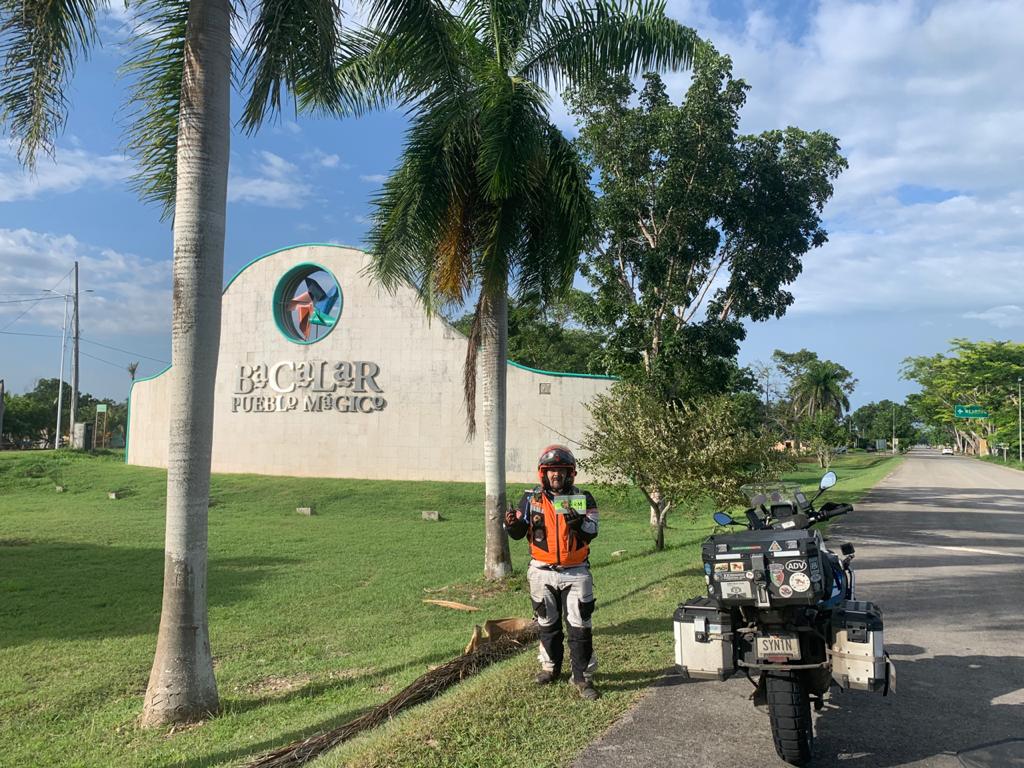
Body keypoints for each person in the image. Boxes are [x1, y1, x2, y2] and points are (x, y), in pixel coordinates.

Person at [504, 444, 600, 700]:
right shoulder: (531, 499)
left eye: (561, 470)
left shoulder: (584, 498)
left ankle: (582, 677)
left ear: (571, 473)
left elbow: (592, 532)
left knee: (580, 626)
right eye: (551, 471)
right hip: (541, 571)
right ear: (543, 474)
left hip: (576, 571)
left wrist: (578, 523)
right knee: (547, 624)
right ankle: (551, 668)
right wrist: (510, 524)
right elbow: (517, 533)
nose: (556, 475)